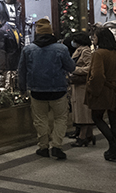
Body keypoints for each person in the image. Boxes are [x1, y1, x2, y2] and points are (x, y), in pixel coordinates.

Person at [17, 18, 76, 160]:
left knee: (40, 120)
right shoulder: (61, 49)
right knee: (61, 118)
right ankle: (57, 146)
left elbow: (21, 71)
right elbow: (71, 67)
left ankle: (43, 147)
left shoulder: (28, 49)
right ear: (51, 33)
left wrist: (22, 88)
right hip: (58, 90)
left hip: (37, 91)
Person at [86, 27, 116, 162]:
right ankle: (113, 150)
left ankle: (113, 145)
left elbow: (97, 75)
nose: (93, 39)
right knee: (114, 119)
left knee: (97, 117)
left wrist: (92, 88)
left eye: (95, 36)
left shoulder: (99, 53)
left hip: (104, 89)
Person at [68, 33, 97, 147]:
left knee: (83, 111)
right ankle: (89, 135)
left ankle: (83, 137)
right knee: (82, 110)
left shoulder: (85, 51)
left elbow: (89, 67)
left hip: (83, 85)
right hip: (77, 85)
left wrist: (75, 70)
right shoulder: (80, 50)